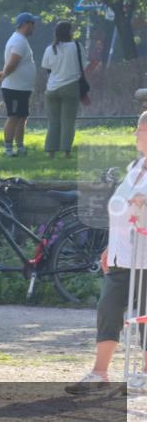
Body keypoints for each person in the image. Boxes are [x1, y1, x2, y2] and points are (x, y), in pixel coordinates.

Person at [66, 111, 147, 394]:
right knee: (108, 308)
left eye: (139, 130)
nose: (136, 135)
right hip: (122, 254)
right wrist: (108, 247)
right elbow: (122, 210)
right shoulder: (136, 167)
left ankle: (145, 376)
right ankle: (100, 373)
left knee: (146, 317)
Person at [40, 21, 84, 158]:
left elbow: (46, 67)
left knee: (53, 121)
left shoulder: (50, 49)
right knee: (68, 121)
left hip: (52, 88)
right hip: (70, 86)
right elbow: (84, 65)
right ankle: (66, 152)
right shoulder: (76, 46)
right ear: (69, 32)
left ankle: (50, 151)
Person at [0, 12, 37, 157]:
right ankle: (8, 147)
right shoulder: (19, 41)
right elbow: (13, 62)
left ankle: (20, 146)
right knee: (13, 116)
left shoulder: (21, 40)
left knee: (22, 117)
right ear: (27, 24)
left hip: (22, 87)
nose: (34, 27)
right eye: (33, 24)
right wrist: (4, 75)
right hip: (14, 87)